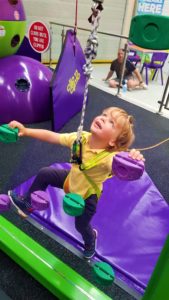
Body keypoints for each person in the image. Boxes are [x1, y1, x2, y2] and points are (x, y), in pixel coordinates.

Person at [8, 107, 144, 259]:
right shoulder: (81, 138)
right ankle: (28, 204)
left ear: (113, 141)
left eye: (111, 122)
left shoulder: (110, 159)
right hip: (69, 181)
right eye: (103, 115)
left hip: (86, 196)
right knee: (45, 173)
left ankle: (91, 239)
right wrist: (26, 131)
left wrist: (134, 159)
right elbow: (53, 136)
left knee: (80, 225)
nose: (103, 118)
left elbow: (126, 171)